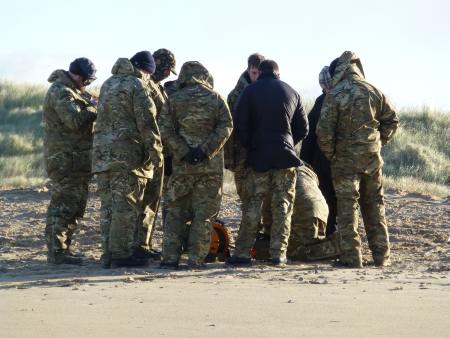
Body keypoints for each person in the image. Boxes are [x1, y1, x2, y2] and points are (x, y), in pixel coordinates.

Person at [316, 51, 399, 268]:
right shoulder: (374, 91)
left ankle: (352, 258)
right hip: (372, 160)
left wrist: (333, 154)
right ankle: (382, 257)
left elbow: (323, 132)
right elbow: (392, 120)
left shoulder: (335, 95)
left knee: (347, 208)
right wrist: (378, 142)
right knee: (375, 207)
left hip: (344, 162)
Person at [229, 60, 309, 266]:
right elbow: (303, 128)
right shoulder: (291, 92)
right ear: (278, 74)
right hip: (286, 158)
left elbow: (239, 126)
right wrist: (289, 143)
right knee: (282, 206)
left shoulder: (249, 92)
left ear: (260, 73)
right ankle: (278, 254)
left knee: (253, 205)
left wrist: (252, 145)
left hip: (258, 158)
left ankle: (242, 254)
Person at [92, 51, 163, 268]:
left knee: (109, 208)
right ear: (146, 71)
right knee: (126, 206)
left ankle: (108, 254)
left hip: (103, 156)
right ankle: (121, 256)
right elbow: (147, 121)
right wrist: (156, 153)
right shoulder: (137, 85)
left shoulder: (107, 84)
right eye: (149, 74)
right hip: (127, 157)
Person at [159, 61, 232, 269]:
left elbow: (164, 129)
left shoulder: (173, 99)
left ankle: (170, 259)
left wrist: (183, 151)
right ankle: (196, 260)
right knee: (204, 215)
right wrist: (205, 151)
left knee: (175, 212)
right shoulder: (216, 98)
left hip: (183, 168)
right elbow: (227, 126)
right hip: (209, 167)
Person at [43, 57, 98, 265]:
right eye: (87, 80)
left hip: (77, 160)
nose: (87, 84)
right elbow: (74, 121)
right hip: (65, 160)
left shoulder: (75, 92)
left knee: (75, 206)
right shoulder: (61, 92)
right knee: (63, 206)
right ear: (77, 76)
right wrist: (94, 109)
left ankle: (63, 249)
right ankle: (56, 252)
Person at [134, 48, 177, 260]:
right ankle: (140, 244)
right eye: (168, 69)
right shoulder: (144, 86)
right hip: (149, 152)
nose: (169, 74)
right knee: (147, 200)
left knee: (151, 201)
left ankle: (144, 243)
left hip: (156, 151)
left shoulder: (155, 86)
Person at [224, 53, 273, 233]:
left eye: (259, 73)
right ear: (248, 70)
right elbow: (228, 129)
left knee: (267, 199)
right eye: (253, 73)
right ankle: (250, 238)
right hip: (242, 158)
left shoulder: (272, 91)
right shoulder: (235, 95)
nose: (256, 76)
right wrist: (230, 160)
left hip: (265, 155)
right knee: (247, 200)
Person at [300, 66, 337, 235]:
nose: (326, 88)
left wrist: (305, 161)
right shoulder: (323, 102)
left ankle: (331, 234)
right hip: (327, 163)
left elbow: (309, 134)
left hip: (326, 162)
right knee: (331, 201)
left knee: (331, 200)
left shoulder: (322, 102)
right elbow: (309, 136)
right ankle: (332, 234)